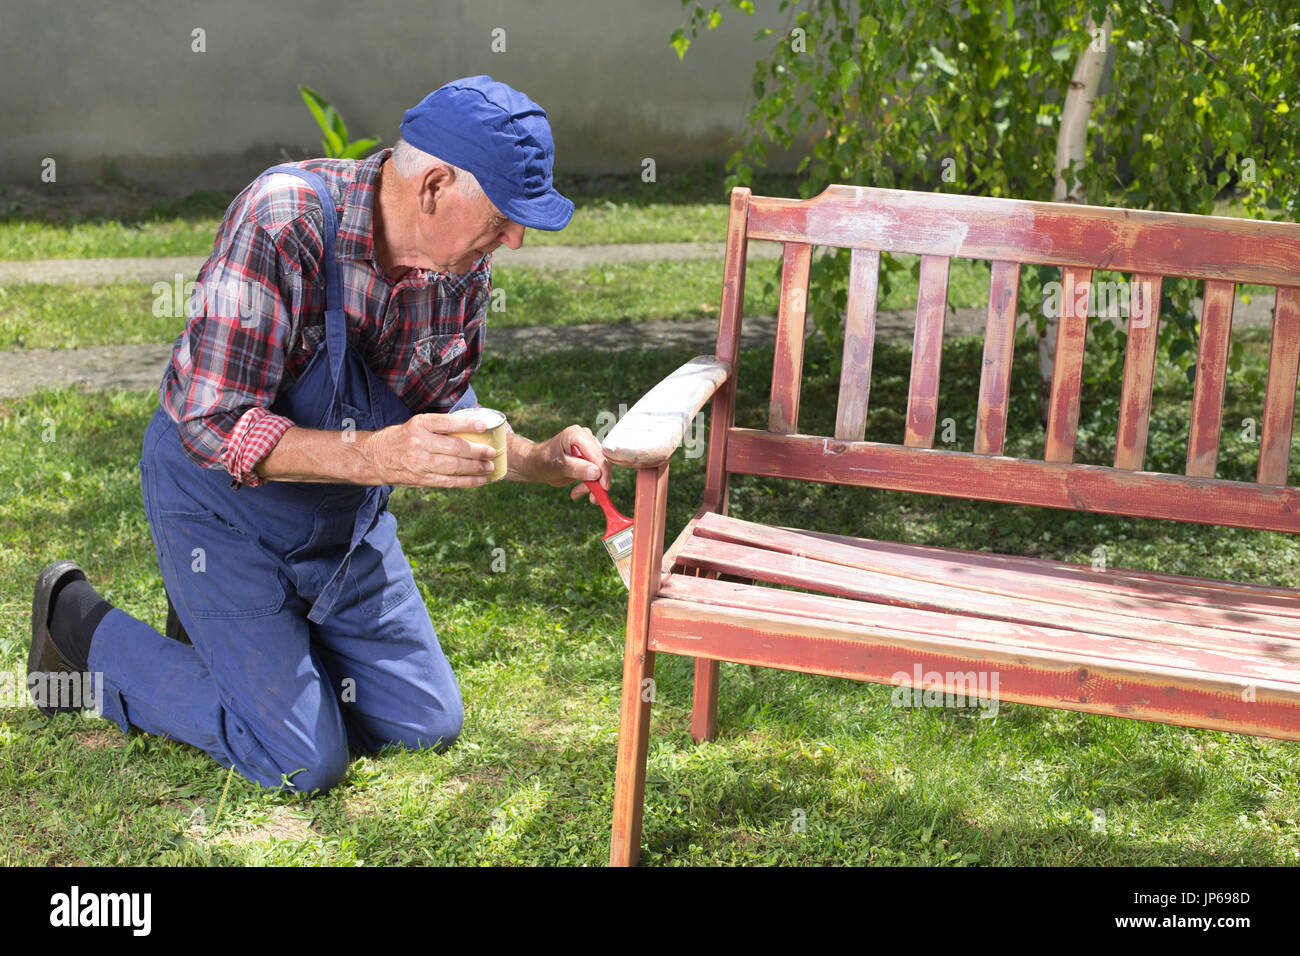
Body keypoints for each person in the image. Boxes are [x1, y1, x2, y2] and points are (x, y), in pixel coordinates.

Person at [27, 75, 612, 794]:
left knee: (427, 725)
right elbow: (213, 421)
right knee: (303, 761)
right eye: (504, 217)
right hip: (220, 509)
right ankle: (77, 629)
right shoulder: (285, 219)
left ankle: (240, 643)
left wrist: (536, 459)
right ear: (433, 188)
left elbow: (449, 408)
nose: (516, 240)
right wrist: (374, 453)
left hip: (339, 527)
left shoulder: (460, 268)